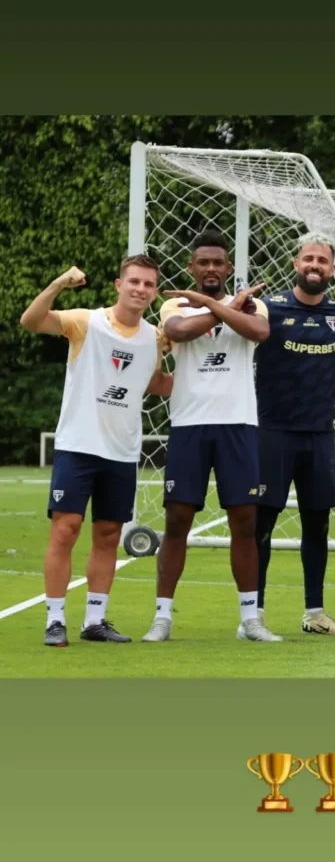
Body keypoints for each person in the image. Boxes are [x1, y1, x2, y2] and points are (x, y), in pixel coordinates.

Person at [20, 256, 172, 647]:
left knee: (108, 535)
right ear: (119, 284)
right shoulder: (87, 321)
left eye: (148, 284)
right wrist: (58, 282)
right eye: (134, 281)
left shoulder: (155, 337)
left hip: (122, 451)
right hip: (78, 445)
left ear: (155, 293)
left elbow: (153, 381)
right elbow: (31, 321)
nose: (140, 289)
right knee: (66, 530)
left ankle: (95, 620)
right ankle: (55, 620)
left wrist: (205, 376)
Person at [141, 230, 281, 644]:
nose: (211, 269)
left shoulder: (254, 307)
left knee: (244, 521)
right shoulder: (173, 304)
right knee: (177, 519)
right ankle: (162, 618)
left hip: (238, 425)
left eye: (218, 263)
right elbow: (181, 332)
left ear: (229, 268)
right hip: (189, 425)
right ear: (191, 267)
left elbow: (258, 333)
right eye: (203, 263)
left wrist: (219, 305)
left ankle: (250, 619)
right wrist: (222, 306)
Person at [254, 233, 335, 634]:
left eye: (323, 261)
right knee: (261, 523)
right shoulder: (271, 308)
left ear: (332, 270)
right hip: (273, 433)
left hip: (318, 435)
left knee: (317, 524)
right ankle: (254, 613)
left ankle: (314, 613)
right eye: (308, 259)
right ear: (297, 264)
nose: (315, 266)